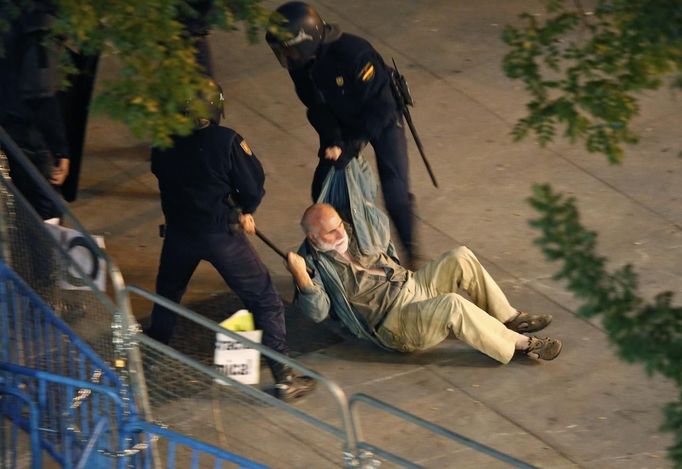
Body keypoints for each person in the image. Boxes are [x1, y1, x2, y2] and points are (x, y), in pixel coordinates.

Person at [144, 79, 315, 401]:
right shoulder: (226, 141)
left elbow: (161, 174)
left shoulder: (162, 141)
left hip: (179, 233)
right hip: (221, 234)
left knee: (168, 294)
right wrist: (245, 209)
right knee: (263, 299)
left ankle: (151, 358)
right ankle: (284, 377)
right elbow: (252, 185)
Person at [285, 204, 563, 363]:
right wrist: (301, 277)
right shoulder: (314, 265)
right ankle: (522, 344)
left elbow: (367, 203)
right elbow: (317, 312)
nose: (340, 232)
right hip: (396, 322)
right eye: (331, 232)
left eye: (340, 225)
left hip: (414, 285)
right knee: (452, 305)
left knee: (460, 256)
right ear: (313, 238)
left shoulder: (354, 234)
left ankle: (509, 317)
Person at [265, 1, 420, 266]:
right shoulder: (301, 65)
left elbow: (382, 108)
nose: (286, 57)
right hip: (341, 118)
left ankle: (412, 253)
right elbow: (316, 107)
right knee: (324, 184)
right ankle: (344, 251)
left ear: (305, 41)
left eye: (288, 50)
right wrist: (334, 140)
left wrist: (352, 145)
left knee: (396, 192)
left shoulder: (354, 53)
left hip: (380, 117)